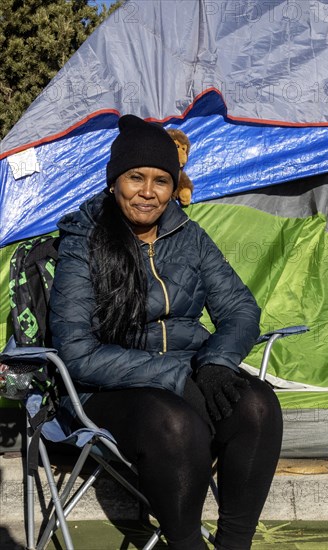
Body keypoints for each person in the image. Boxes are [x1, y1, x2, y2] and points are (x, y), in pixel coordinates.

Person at [49, 115, 283, 550]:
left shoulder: (189, 237)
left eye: (161, 180)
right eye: (136, 177)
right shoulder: (85, 241)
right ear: (115, 180)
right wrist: (179, 376)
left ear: (174, 186)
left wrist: (214, 364)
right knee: (174, 422)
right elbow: (78, 352)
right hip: (105, 389)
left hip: (189, 369)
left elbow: (239, 308)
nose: (148, 192)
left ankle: (235, 544)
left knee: (258, 405)